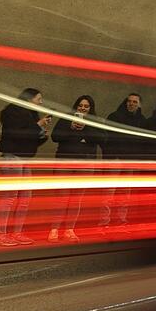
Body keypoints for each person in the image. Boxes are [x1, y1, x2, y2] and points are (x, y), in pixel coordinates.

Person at [0, 88, 51, 246]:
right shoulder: (12, 111)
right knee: (10, 197)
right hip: (13, 157)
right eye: (39, 98)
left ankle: (17, 233)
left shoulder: (32, 115)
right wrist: (38, 125)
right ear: (29, 98)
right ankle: (0, 235)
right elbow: (16, 134)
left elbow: (30, 137)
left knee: (25, 198)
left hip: (25, 157)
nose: (41, 102)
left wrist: (41, 135)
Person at [49, 95, 105, 242]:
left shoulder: (94, 122)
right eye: (80, 105)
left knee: (76, 199)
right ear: (76, 106)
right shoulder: (66, 118)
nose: (83, 108)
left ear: (91, 108)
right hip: (65, 161)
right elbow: (55, 136)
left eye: (86, 106)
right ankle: (54, 229)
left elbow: (101, 139)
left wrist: (85, 130)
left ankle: (69, 229)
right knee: (62, 197)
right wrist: (71, 128)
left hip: (85, 162)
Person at [102, 93, 145, 231]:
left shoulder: (142, 121)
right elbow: (105, 138)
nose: (131, 104)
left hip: (130, 160)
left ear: (139, 105)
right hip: (116, 158)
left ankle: (120, 221)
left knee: (125, 195)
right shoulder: (115, 117)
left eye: (134, 102)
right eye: (129, 101)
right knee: (109, 193)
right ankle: (105, 222)